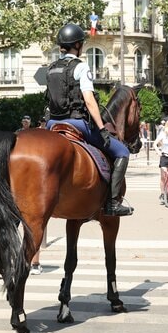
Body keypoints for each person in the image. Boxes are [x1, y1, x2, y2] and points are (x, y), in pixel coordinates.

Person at [44, 23, 132, 216]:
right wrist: (101, 128)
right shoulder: (81, 67)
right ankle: (113, 203)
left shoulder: (50, 68)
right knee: (122, 152)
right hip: (76, 123)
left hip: (52, 123)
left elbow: (48, 99)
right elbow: (90, 101)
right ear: (77, 45)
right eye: (81, 44)